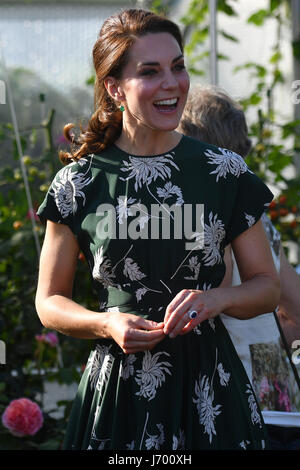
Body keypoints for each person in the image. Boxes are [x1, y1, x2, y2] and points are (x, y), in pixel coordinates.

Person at [35, 9, 280, 450]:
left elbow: (268, 288)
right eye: (150, 72)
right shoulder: (78, 183)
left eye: (178, 66)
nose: (173, 83)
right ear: (114, 88)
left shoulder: (224, 173)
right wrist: (105, 323)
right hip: (119, 396)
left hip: (211, 389)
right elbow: (49, 301)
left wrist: (215, 299)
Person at [178, 84, 300, 449]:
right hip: (281, 400)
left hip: (231, 401)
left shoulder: (208, 215)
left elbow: (217, 286)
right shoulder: (258, 219)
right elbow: (295, 307)